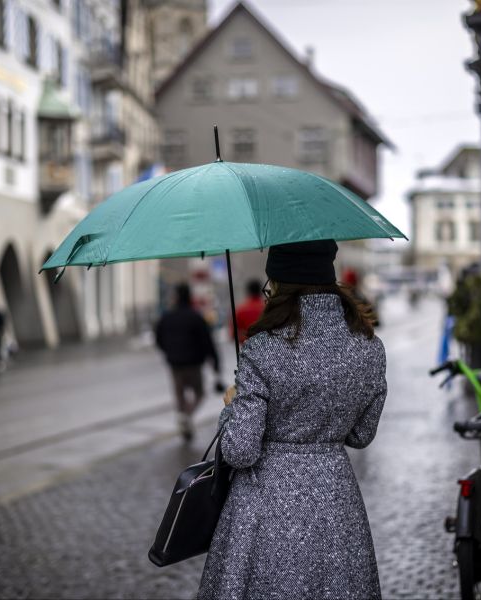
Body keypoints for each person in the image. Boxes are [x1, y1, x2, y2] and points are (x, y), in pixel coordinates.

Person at [199, 240, 388, 600]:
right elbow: (362, 434)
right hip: (337, 500)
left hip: (266, 503)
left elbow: (240, 451)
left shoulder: (263, 349)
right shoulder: (370, 347)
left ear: (280, 285)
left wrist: (231, 407)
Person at [155, 283, 221, 442]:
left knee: (180, 395)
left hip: (175, 364)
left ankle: (184, 418)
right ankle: (187, 416)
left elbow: (158, 338)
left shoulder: (166, 317)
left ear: (176, 297)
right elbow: (207, 341)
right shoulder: (196, 317)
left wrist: (169, 352)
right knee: (199, 393)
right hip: (194, 363)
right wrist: (215, 362)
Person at [229, 279, 265, 345]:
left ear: (248, 291)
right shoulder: (267, 307)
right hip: (268, 349)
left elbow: (233, 334)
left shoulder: (240, 310)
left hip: (248, 349)